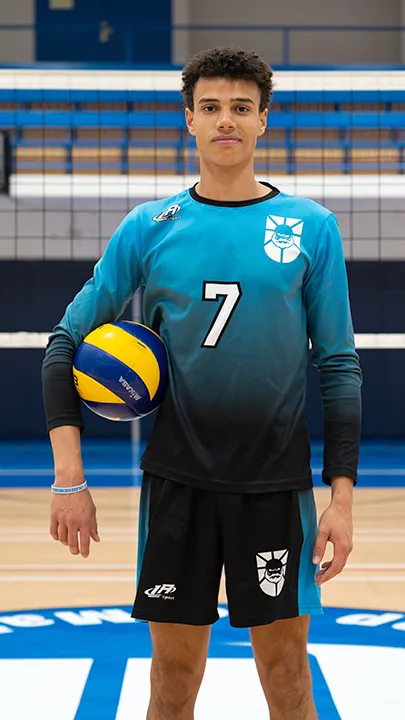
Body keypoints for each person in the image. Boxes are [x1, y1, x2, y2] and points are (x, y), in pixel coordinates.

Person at [42, 46, 362, 720]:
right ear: (187, 120)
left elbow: (337, 366)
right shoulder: (149, 227)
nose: (226, 121)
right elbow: (63, 346)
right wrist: (69, 480)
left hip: (275, 488)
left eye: (240, 109)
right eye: (211, 107)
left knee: (286, 677)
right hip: (177, 486)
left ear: (263, 122)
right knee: (171, 678)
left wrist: (340, 500)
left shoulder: (311, 228)